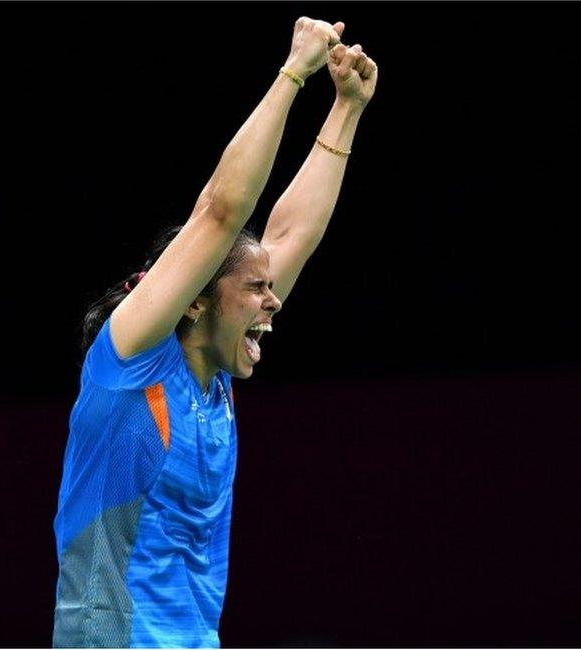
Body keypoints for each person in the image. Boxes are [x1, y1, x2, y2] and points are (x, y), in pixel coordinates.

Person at [52, 16, 378, 648]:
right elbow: (220, 213)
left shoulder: (214, 376)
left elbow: (287, 236)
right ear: (197, 302)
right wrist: (293, 75)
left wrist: (345, 109)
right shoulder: (134, 358)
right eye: (256, 290)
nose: (274, 300)